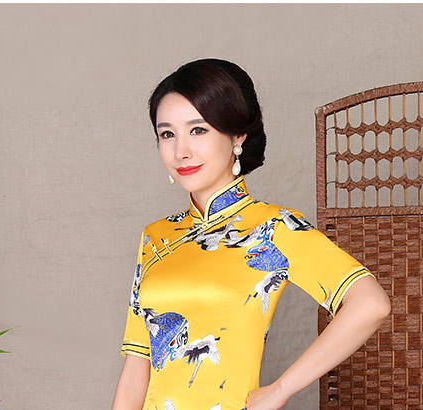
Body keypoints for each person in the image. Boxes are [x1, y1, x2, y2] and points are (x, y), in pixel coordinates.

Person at [112, 58, 390, 410]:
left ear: (237, 135)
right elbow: (136, 369)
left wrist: (280, 389)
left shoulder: (274, 228)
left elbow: (370, 304)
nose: (181, 151)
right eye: (168, 134)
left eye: (198, 130)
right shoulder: (156, 237)